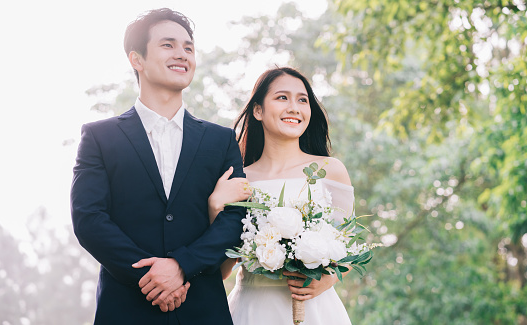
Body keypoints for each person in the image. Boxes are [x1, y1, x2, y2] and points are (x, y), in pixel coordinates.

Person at [70, 8, 247, 325]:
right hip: (125, 308)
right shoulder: (99, 137)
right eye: (168, 45)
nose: (182, 54)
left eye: (188, 48)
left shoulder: (221, 141)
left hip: (204, 310)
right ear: (136, 59)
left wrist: (180, 265)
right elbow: (89, 219)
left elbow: (236, 218)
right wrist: (151, 275)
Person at [208, 67, 355, 324]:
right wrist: (214, 207)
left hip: (316, 309)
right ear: (258, 111)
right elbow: (221, 272)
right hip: (253, 310)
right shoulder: (240, 181)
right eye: (282, 97)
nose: (294, 107)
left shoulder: (330, 170)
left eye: (302, 100)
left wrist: (327, 279)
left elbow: (349, 247)